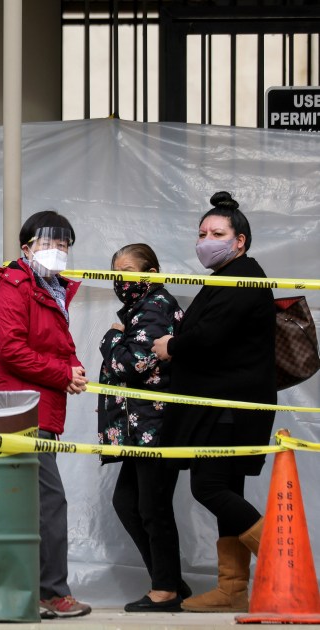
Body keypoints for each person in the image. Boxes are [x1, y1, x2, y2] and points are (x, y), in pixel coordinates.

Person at [152, 191, 275, 613]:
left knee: (210, 486)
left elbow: (209, 337)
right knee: (227, 488)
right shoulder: (225, 277)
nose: (206, 240)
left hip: (228, 406)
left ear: (239, 239)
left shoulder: (245, 276)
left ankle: (284, 557)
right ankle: (232, 588)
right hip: (220, 403)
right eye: (201, 233)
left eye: (217, 233)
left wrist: (171, 345)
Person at [0, 210, 91, 619]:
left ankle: (25, 592)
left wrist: (72, 368)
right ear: (25, 248)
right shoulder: (13, 285)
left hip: (39, 408)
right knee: (47, 502)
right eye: (48, 243)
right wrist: (63, 373)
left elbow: (54, 344)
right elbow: (9, 348)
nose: (58, 252)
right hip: (19, 408)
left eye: (64, 245)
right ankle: (49, 591)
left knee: (29, 504)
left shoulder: (51, 289)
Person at [97, 244, 189, 612]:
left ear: (151, 272)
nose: (122, 280)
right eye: (116, 273)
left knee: (152, 506)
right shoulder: (141, 309)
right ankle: (170, 581)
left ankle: (166, 589)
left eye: (129, 271)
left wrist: (110, 336)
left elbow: (128, 364)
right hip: (141, 424)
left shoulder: (155, 307)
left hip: (155, 423)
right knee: (129, 502)